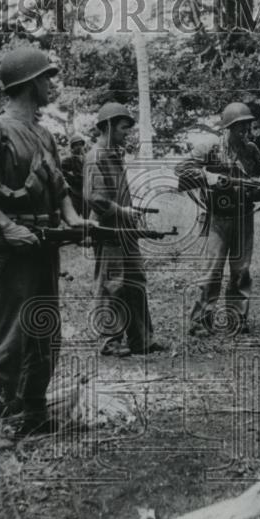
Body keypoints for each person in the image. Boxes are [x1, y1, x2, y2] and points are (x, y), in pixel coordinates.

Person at [0, 47, 89, 435]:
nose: (52, 85)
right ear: (31, 83)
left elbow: (61, 188)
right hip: (11, 249)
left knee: (44, 333)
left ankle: (32, 411)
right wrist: (7, 227)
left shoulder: (45, 135)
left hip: (44, 247)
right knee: (5, 335)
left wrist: (74, 221)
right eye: (47, 78)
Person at [176, 102, 260, 337]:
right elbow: (181, 169)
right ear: (227, 128)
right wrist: (209, 176)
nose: (244, 131)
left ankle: (237, 319)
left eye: (247, 126)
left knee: (242, 271)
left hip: (244, 216)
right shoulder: (209, 148)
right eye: (239, 127)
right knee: (213, 271)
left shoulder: (250, 149)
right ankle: (200, 321)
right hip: (218, 218)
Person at [83, 103, 164, 358]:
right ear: (107, 126)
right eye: (123, 128)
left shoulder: (114, 155)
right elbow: (94, 198)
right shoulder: (95, 157)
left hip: (125, 229)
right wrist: (123, 211)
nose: (126, 133)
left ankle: (142, 339)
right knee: (111, 284)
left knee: (135, 281)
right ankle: (110, 340)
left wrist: (130, 212)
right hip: (107, 230)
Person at [60, 133, 88, 216]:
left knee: (87, 217)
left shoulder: (86, 159)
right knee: (74, 216)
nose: (79, 147)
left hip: (85, 193)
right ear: (72, 147)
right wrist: (76, 177)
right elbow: (63, 174)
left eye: (81, 145)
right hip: (74, 193)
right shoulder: (67, 160)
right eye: (76, 145)